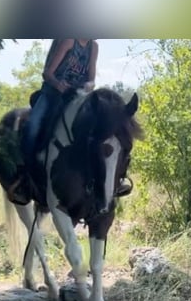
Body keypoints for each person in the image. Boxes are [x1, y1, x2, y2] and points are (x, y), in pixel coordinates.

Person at [20, 39, 132, 197]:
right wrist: (59, 85)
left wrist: (89, 85)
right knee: (33, 126)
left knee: (99, 132)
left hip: (77, 97)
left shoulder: (94, 47)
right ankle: (24, 173)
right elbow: (47, 73)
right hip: (53, 93)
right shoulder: (68, 41)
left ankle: (106, 181)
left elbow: (91, 78)